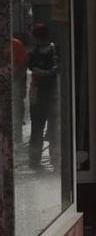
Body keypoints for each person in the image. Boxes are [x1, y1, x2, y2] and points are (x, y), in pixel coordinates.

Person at [27, 24, 60, 169]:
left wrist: (45, 73)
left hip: (51, 94)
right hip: (40, 94)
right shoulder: (33, 53)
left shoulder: (55, 50)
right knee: (38, 128)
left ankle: (53, 159)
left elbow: (57, 68)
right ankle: (35, 160)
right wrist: (49, 73)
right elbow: (34, 69)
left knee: (52, 127)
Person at [11, 36, 27, 144]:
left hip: (15, 81)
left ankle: (17, 139)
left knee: (17, 108)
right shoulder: (16, 43)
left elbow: (22, 65)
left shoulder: (15, 44)